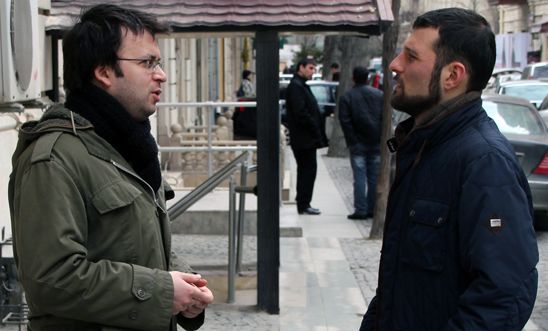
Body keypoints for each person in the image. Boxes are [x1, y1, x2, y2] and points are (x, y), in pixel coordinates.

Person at [8, 4, 213, 331]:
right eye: (147, 63)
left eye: (158, 62)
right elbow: (50, 279)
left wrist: (185, 287)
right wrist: (161, 292)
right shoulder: (52, 158)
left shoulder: (129, 143)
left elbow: (136, 244)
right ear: (103, 71)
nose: (160, 74)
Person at [361, 8, 538, 331]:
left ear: (452, 76)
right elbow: (401, 284)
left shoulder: (484, 162)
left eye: (411, 56)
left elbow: (505, 296)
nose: (395, 64)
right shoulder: (425, 146)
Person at [338, 66, 383, 220]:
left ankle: (361, 209)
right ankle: (371, 209)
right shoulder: (379, 95)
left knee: (360, 177)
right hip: (375, 142)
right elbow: (384, 118)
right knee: (373, 177)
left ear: (353, 78)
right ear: (368, 78)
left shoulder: (348, 97)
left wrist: (352, 141)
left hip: (358, 143)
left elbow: (345, 121)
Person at [286, 57, 328, 215]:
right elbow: (301, 113)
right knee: (307, 171)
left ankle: (304, 202)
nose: (313, 71)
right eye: (311, 68)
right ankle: (303, 203)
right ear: (301, 67)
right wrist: (314, 126)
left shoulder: (300, 85)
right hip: (304, 138)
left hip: (306, 138)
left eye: (314, 68)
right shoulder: (296, 86)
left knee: (308, 171)